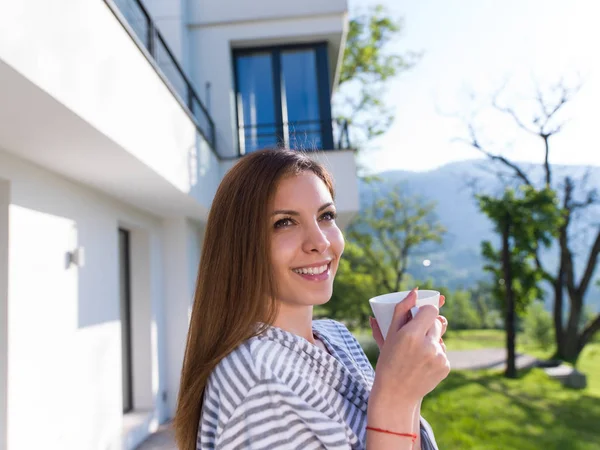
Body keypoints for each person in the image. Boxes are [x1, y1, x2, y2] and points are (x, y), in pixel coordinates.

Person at [174, 149, 450, 450]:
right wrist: (396, 395)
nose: (320, 242)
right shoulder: (256, 380)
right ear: (241, 245)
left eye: (326, 216)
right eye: (284, 223)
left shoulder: (337, 337)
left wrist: (406, 378)